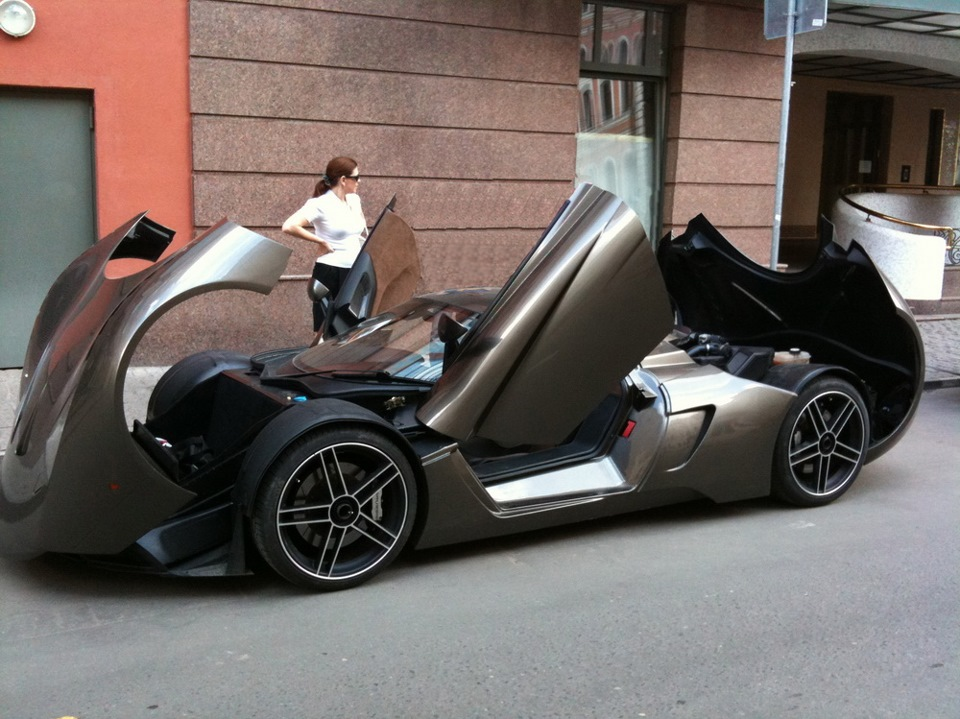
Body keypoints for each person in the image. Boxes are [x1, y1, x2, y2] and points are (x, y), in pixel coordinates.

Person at [282, 156, 365, 331]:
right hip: (330, 270)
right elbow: (289, 226)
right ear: (343, 180)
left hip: (355, 270)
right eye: (356, 177)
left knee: (354, 328)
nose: (359, 181)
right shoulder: (320, 204)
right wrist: (320, 241)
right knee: (326, 329)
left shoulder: (354, 200)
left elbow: (356, 232)